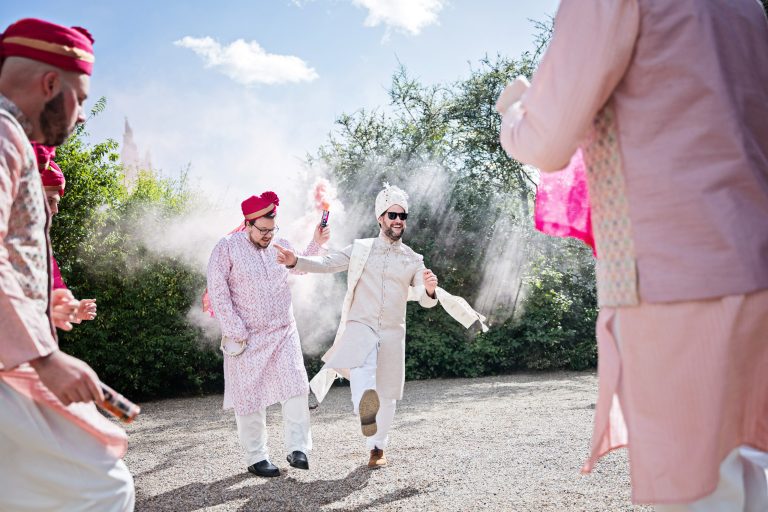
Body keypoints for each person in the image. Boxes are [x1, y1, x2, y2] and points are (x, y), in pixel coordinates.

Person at [497, 1, 768, 508]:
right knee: (749, 468)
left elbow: (546, 138)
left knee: (698, 489)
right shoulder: (747, 6)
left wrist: (512, 109)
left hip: (674, 280)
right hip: (755, 262)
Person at [0, 17, 134, 511]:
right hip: (12, 364)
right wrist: (46, 357)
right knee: (102, 487)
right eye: (79, 97)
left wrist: (48, 302)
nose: (80, 117)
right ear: (51, 83)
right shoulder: (5, 134)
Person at [275, 185, 441, 468]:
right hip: (360, 327)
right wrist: (296, 261)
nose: (398, 220)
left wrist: (429, 289)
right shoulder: (361, 249)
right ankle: (365, 412)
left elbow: (425, 300)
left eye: (403, 216)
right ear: (381, 218)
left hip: (392, 332)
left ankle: (377, 448)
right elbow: (328, 263)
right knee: (364, 381)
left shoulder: (413, 259)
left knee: (387, 396)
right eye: (393, 215)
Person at [206, 191, 329, 477]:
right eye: (262, 230)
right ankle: (256, 456)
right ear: (247, 224)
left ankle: (298, 449)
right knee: (249, 398)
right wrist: (234, 328)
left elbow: (299, 267)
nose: (268, 235)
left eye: (272, 230)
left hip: (283, 332)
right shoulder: (226, 248)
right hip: (245, 337)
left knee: (296, 386)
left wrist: (317, 243)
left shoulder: (280, 244)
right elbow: (218, 289)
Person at [35, 142, 97, 320]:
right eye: (50, 200)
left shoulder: (40, 246)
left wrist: (74, 310)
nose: (55, 210)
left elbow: (54, 292)